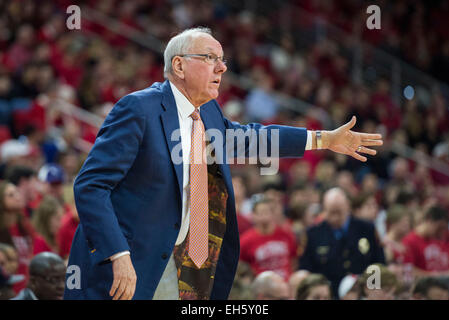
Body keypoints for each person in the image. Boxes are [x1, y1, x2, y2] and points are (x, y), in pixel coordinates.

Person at [65, 27, 383, 300]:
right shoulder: (138, 109)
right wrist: (117, 255)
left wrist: (323, 140)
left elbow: (254, 138)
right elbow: (91, 186)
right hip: (129, 264)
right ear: (178, 65)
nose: (221, 68)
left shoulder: (211, 114)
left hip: (185, 268)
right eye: (210, 59)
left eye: (222, 60)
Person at [299, 187, 385, 297]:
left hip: (362, 293)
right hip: (328, 294)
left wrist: (372, 290)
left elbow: (378, 263)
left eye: (339, 212)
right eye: (331, 212)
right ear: (324, 210)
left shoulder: (367, 229)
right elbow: (306, 268)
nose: (335, 217)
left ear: (347, 207)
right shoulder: (313, 234)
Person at [0, 181, 51, 293]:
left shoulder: (25, 225)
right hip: (7, 290)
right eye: (11, 195)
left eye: (17, 192)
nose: (17, 197)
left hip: (27, 287)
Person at [240, 197, 298, 280]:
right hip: (261, 286)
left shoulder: (286, 235)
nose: (264, 215)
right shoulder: (245, 240)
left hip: (285, 282)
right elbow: (242, 266)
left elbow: (294, 261)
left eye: (267, 211)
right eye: (260, 212)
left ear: (273, 214)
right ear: (253, 215)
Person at [402, 205, 449, 276]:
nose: (442, 232)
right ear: (429, 221)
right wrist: (437, 275)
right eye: (440, 228)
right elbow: (408, 270)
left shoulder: (442, 237)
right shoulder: (410, 241)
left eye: (444, 228)